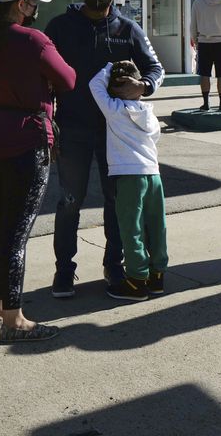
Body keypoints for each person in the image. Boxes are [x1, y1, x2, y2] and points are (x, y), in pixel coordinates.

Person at [0, 0, 73, 342]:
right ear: (22, 4)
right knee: (16, 234)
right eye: (31, 2)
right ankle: (15, 320)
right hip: (25, 140)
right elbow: (68, 79)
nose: (33, 9)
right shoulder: (32, 40)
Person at [45, 0, 164, 297]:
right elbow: (43, 76)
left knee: (117, 203)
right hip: (73, 129)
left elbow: (156, 67)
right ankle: (64, 272)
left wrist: (144, 85)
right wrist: (47, 125)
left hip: (118, 134)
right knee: (70, 201)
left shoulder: (128, 29)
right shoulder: (60, 27)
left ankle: (115, 268)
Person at [88, 60, 167, 302]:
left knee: (131, 229)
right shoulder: (149, 114)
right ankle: (157, 276)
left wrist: (110, 65)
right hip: (153, 175)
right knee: (156, 226)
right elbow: (155, 137)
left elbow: (94, 84)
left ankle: (136, 280)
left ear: (115, 89)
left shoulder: (114, 109)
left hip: (128, 176)